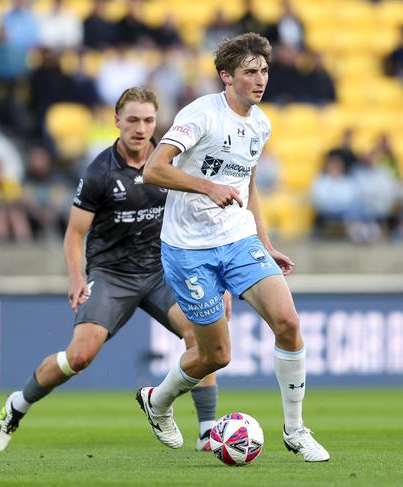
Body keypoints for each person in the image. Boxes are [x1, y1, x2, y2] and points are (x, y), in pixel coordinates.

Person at [0, 87, 221, 452]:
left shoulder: (171, 160)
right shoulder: (99, 172)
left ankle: (208, 431)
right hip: (112, 276)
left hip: (161, 270)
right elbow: (74, 234)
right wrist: (77, 278)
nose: (141, 128)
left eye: (148, 120)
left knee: (202, 335)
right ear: (116, 122)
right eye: (132, 120)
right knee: (79, 356)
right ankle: (18, 404)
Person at [135, 33, 330, 462]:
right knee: (215, 355)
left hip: (239, 240)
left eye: (264, 71)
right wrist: (208, 187)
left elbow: (249, 185)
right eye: (249, 73)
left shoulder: (261, 123)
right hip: (188, 249)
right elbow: (153, 169)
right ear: (226, 77)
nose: (260, 80)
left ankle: (296, 431)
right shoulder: (201, 114)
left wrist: (266, 242)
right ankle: (159, 401)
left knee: (289, 323)